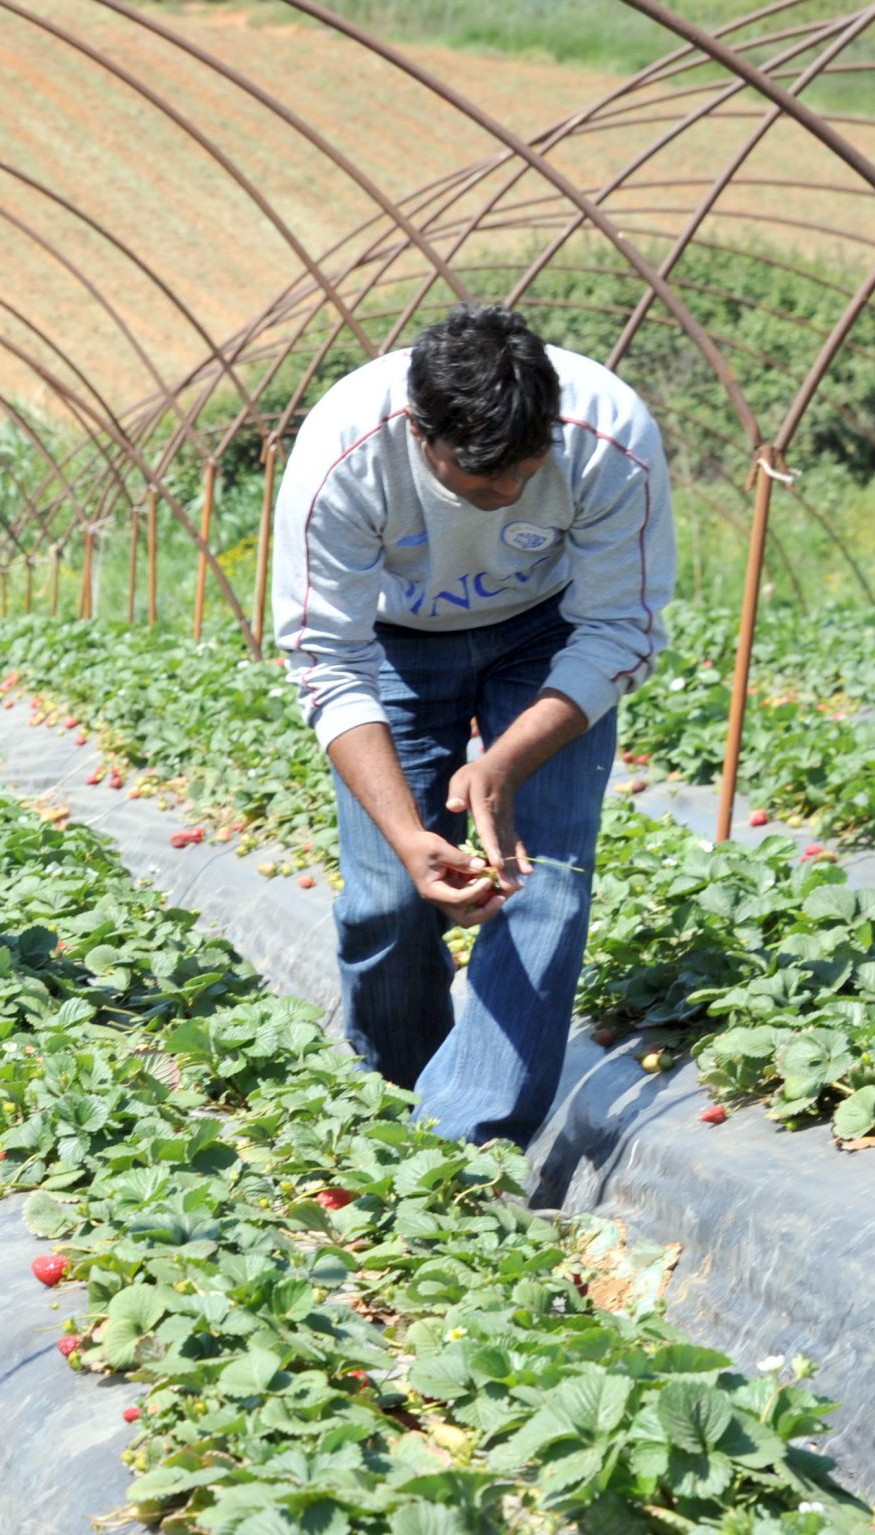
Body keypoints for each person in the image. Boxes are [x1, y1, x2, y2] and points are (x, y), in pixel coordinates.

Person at [273, 302, 674, 1146]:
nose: (508, 493)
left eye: (527, 471)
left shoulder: (608, 437)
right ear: (421, 431)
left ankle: (467, 1145)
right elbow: (327, 658)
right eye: (480, 477)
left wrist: (507, 762)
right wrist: (405, 833)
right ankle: (398, 1102)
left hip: (551, 632)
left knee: (540, 876)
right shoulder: (344, 452)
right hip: (395, 643)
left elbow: (621, 626)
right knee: (387, 895)